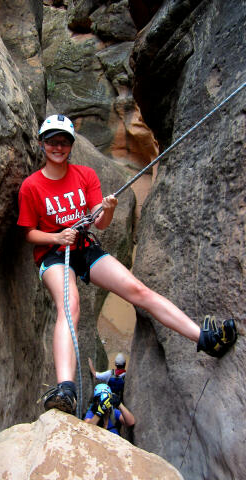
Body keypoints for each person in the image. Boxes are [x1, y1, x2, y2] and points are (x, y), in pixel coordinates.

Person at [17, 114, 238, 415]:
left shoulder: (85, 176)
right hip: (53, 254)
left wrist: (108, 209)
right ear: (43, 144)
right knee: (70, 304)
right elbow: (29, 233)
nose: (58, 147)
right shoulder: (32, 187)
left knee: (136, 289)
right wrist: (57, 237)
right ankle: (66, 388)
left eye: (63, 141)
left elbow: (102, 222)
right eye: (52, 141)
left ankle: (205, 338)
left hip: (84, 246)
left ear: (70, 145)